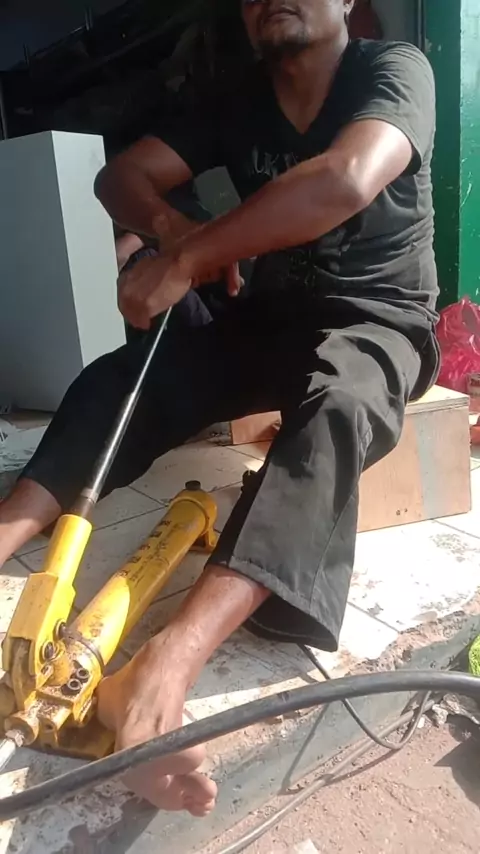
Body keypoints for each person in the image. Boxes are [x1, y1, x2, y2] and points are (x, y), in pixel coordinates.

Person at [0, 0, 438, 818]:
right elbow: (117, 177)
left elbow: (345, 179)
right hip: (268, 320)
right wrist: (171, 229)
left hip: (377, 320)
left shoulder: (392, 69)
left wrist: (191, 256)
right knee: (125, 376)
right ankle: (8, 530)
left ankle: (164, 667)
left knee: (338, 409)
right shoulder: (236, 97)